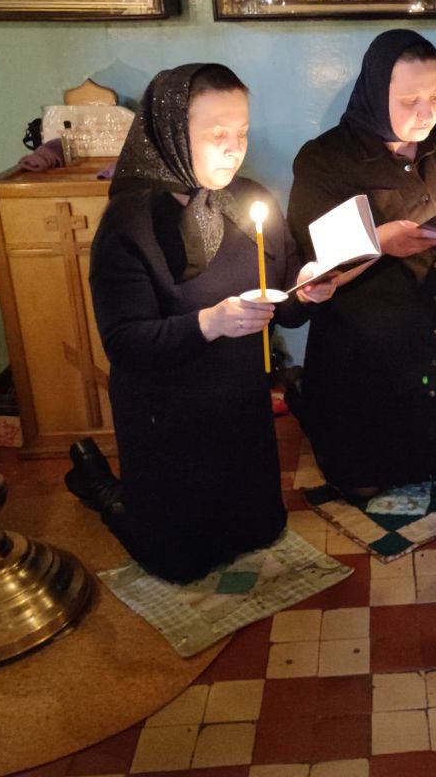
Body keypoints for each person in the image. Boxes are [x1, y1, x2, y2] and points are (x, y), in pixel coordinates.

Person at [65, 64, 333, 584]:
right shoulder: (130, 222)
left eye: (242, 133)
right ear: (169, 132)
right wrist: (208, 323)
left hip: (241, 410)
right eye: (217, 135)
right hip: (167, 418)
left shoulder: (251, 201)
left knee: (259, 531)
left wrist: (308, 288)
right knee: (180, 563)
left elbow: (283, 304)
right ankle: (104, 491)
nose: (234, 150)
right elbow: (124, 343)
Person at [286, 29, 436, 497]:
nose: (426, 112)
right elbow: (311, 265)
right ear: (377, 93)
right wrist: (379, 242)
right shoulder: (326, 158)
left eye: (435, 95)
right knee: (363, 467)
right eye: (409, 100)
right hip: (363, 341)